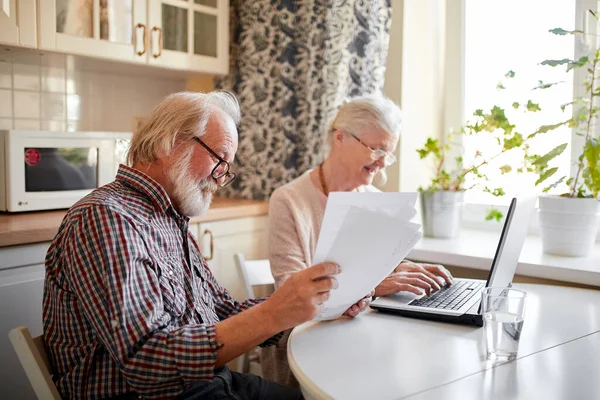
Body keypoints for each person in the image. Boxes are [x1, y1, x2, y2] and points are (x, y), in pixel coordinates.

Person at [42, 91, 368, 400]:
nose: (220, 178)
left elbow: (221, 311)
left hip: (207, 383)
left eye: (227, 169)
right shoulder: (107, 219)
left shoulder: (168, 217)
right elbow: (146, 362)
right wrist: (275, 312)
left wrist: (316, 302)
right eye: (219, 160)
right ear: (168, 142)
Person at [263, 93, 454, 387]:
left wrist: (405, 268)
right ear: (341, 138)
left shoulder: (374, 200)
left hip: (359, 338)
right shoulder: (289, 201)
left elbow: (372, 264)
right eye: (377, 150)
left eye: (388, 154)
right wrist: (373, 286)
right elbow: (293, 297)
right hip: (307, 349)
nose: (382, 164)